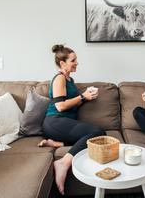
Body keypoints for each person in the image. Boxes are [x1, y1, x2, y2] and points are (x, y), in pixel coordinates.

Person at [38, 44, 106, 195]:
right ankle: (63, 163)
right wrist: (83, 96)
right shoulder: (59, 78)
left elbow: (72, 102)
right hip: (54, 121)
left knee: (94, 135)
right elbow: (60, 106)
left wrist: (87, 96)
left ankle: (57, 143)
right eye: (73, 60)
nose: (77, 63)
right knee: (99, 133)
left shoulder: (70, 80)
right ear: (63, 63)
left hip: (62, 124)